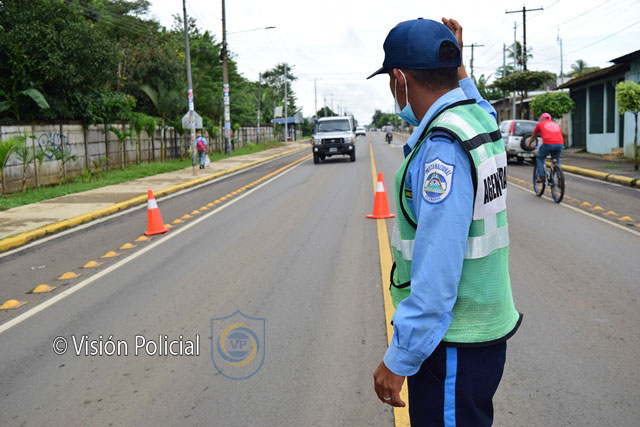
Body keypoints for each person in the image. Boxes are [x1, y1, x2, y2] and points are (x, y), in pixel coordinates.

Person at [368, 17, 522, 426]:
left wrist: (400, 358)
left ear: (400, 79)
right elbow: (480, 104)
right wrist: (459, 66)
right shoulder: (477, 121)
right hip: (482, 333)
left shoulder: (443, 148)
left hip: (454, 343)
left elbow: (437, 274)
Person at [532, 113, 564, 183]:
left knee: (540, 158)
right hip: (560, 144)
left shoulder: (540, 124)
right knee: (556, 160)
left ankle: (542, 177)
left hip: (548, 144)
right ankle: (559, 177)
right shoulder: (556, 124)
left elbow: (534, 135)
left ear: (542, 119)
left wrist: (529, 143)